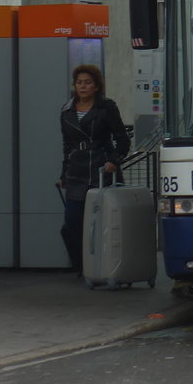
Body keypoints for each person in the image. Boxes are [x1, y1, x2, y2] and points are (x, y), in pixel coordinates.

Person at [57, 64, 131, 272]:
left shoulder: (106, 107)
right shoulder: (66, 110)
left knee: (104, 222)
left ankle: (105, 264)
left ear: (96, 86)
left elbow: (122, 139)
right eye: (79, 82)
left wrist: (113, 161)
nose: (83, 87)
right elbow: (67, 146)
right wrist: (63, 174)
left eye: (88, 82)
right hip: (77, 172)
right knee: (71, 223)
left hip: (102, 170)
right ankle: (81, 266)